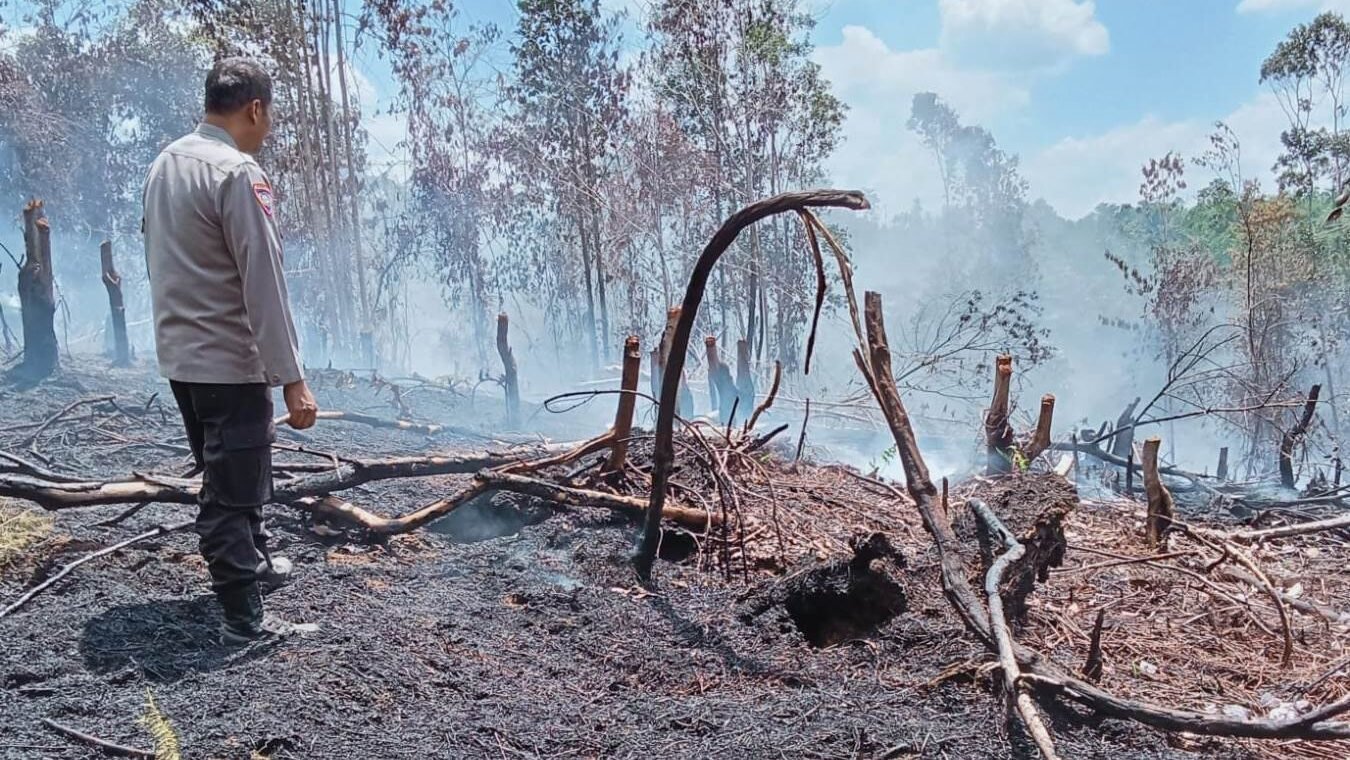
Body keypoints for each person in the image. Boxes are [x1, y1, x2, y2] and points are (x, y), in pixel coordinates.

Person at [142, 57, 319, 645]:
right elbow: (263, 280)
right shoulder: (237, 172)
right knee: (227, 493)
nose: (268, 128)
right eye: (270, 116)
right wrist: (291, 377)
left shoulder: (165, 163)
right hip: (228, 362)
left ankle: (258, 562)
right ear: (255, 108)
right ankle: (243, 619)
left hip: (183, 361)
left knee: (235, 470)